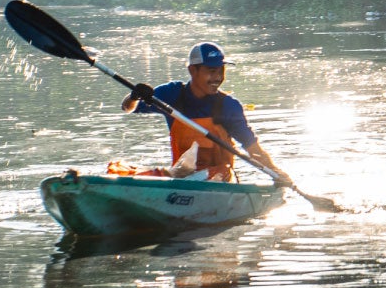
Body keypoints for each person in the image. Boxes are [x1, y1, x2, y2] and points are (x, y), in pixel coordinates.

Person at [121, 42, 286, 183]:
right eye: (211, 71)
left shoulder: (228, 106)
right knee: (122, 171)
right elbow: (127, 108)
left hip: (218, 181)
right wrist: (134, 96)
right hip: (182, 176)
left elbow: (252, 148)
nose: (218, 78)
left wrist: (276, 172)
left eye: (221, 71)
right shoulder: (171, 94)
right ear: (193, 70)